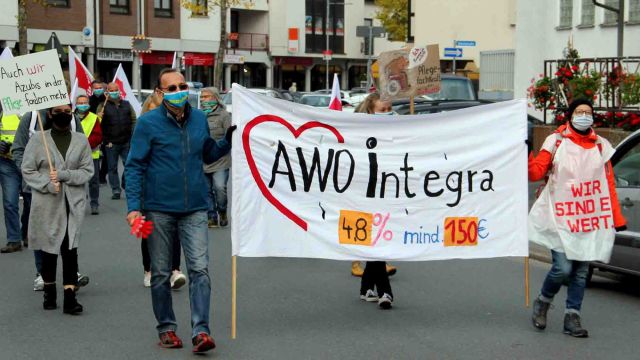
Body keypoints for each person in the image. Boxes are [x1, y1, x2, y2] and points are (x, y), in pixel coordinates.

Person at [125, 68, 234, 352]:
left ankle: (201, 331)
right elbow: (135, 166)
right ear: (160, 93)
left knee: (200, 269)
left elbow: (208, 152)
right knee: (161, 272)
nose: (178, 91)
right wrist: (134, 208)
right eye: (171, 88)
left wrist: (229, 141)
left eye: (182, 85)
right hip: (159, 208)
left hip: (195, 207)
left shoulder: (199, 118)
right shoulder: (147, 123)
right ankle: (167, 328)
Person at [528, 98, 627, 338]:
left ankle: (572, 316)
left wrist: (616, 217)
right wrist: (526, 154)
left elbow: (607, 184)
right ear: (571, 115)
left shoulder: (601, 146)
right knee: (562, 268)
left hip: (589, 218)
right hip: (560, 218)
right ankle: (543, 300)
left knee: (581, 271)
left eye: (588, 112)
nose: (584, 115)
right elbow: (536, 172)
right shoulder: (556, 141)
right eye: (579, 111)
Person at [21, 103, 94, 314]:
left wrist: (64, 176)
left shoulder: (80, 141)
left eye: (67, 111)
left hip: (73, 203)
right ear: (50, 114)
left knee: (70, 247)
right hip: (47, 203)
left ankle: (70, 297)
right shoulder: (37, 140)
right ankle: (49, 294)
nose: (63, 115)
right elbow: (28, 170)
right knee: (49, 247)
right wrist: (46, 183)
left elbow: (87, 170)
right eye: (58, 111)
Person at [138, 94, 186, 290]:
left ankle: (174, 270)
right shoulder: (140, 132)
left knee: (174, 232)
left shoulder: (174, 132)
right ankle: (149, 270)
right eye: (151, 111)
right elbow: (134, 165)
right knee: (148, 232)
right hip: (148, 192)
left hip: (172, 191)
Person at [353, 92, 395, 309]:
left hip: (387, 190)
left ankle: (366, 287)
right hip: (363, 192)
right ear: (370, 110)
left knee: (375, 239)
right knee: (374, 239)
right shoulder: (356, 132)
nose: (387, 114)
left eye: (389, 110)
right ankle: (385, 291)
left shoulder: (394, 132)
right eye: (382, 110)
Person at [98, 82, 136, 200]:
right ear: (107, 92)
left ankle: (125, 183)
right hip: (110, 142)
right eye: (111, 90)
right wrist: (99, 116)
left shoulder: (127, 104)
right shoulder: (102, 106)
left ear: (119, 91)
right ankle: (116, 190)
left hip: (126, 141)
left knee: (129, 165)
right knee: (112, 167)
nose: (114, 92)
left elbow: (134, 120)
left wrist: (133, 135)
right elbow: (97, 124)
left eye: (116, 90)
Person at [200, 87, 231, 228]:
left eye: (206, 96)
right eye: (202, 97)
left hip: (220, 160)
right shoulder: (198, 116)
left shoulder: (224, 116)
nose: (202, 99)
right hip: (203, 161)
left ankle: (222, 210)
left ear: (215, 98)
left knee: (219, 187)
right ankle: (211, 216)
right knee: (206, 191)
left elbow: (230, 138)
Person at [0, 106, 23, 254]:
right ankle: (14, 240)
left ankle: (27, 233)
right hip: (6, 162)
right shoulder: (2, 110)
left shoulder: (32, 111)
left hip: (29, 162)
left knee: (30, 201)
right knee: (9, 202)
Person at [76, 95, 102, 215]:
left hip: (92, 154)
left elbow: (97, 136)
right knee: (77, 181)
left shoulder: (94, 118)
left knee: (93, 182)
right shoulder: (70, 117)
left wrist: (84, 145)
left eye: (84, 102)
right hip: (74, 156)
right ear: (76, 104)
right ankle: (79, 203)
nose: (82, 105)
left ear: (89, 104)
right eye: (80, 103)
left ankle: (94, 203)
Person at [89, 81, 108, 185]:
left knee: (107, 156)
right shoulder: (89, 101)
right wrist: (97, 116)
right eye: (96, 88)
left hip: (105, 131)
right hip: (93, 132)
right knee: (93, 156)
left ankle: (102, 175)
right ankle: (93, 176)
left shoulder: (107, 100)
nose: (98, 90)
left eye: (100, 87)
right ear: (92, 89)